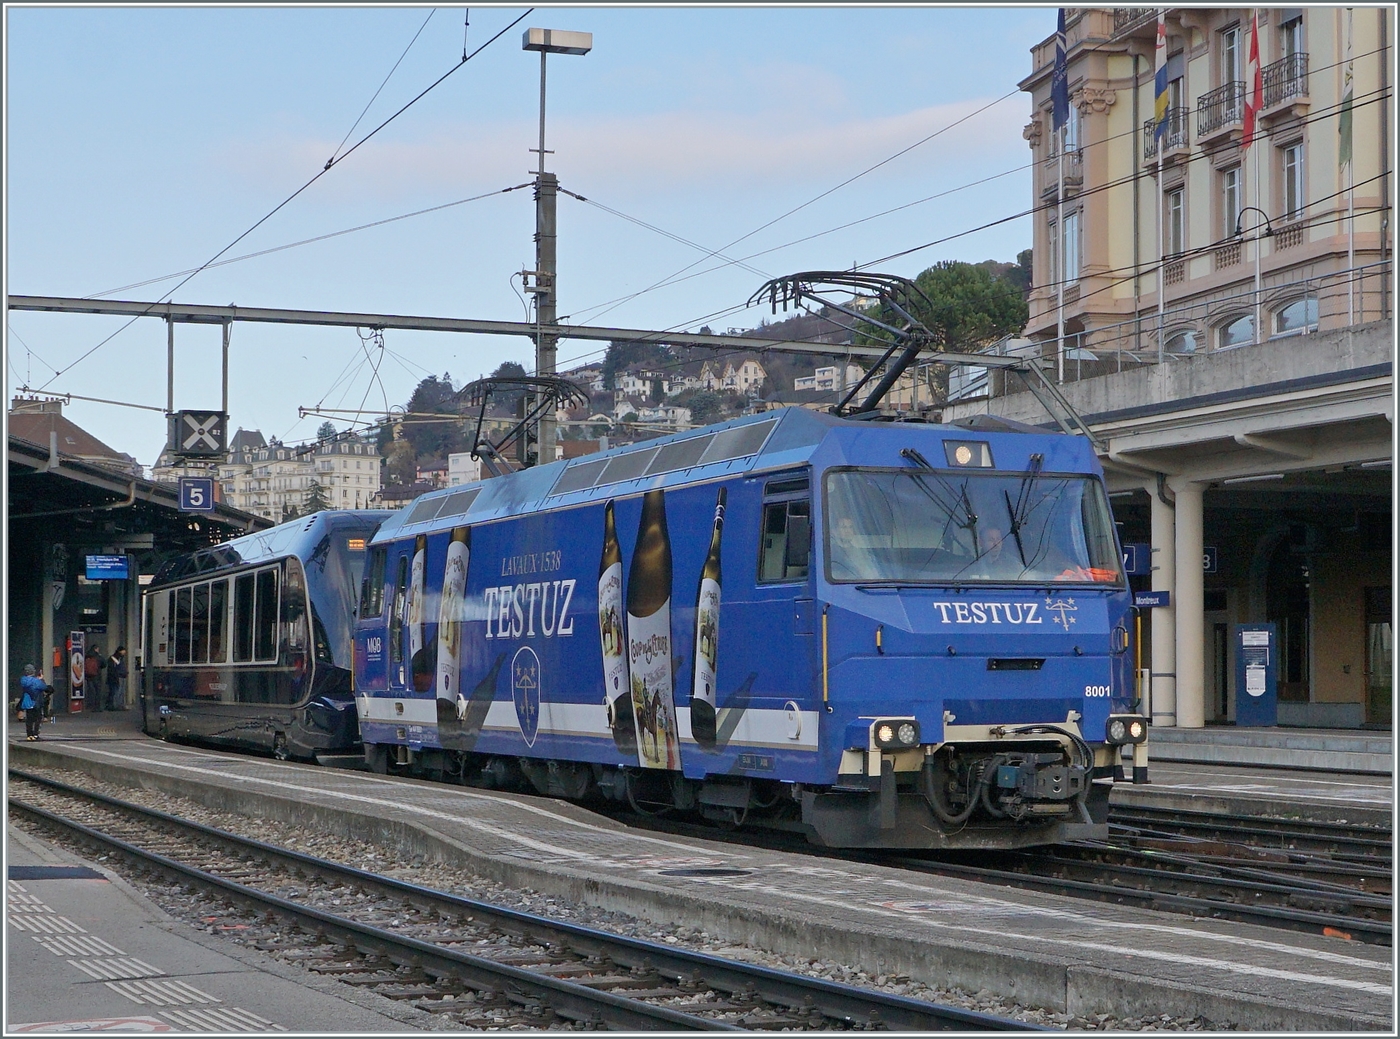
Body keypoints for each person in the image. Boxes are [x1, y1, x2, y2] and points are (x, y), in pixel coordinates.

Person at [19, 664, 47, 741]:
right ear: (33, 671)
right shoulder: (37, 681)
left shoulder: (23, 680)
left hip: (28, 702)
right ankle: (35, 734)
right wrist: (41, 679)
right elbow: (44, 687)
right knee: (38, 718)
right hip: (37, 702)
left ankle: (29, 735)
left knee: (29, 719)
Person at [105, 646, 128, 711]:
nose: (125, 652)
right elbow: (114, 669)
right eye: (124, 651)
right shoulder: (114, 659)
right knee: (117, 691)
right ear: (120, 651)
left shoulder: (119, 658)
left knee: (119, 691)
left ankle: (118, 705)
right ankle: (116, 705)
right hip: (117, 677)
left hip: (120, 676)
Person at [84, 646, 104, 710]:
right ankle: (97, 706)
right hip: (96, 675)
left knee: (90, 690)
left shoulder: (87, 655)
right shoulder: (98, 656)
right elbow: (104, 664)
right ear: (96, 649)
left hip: (88, 676)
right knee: (98, 691)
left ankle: (89, 705)